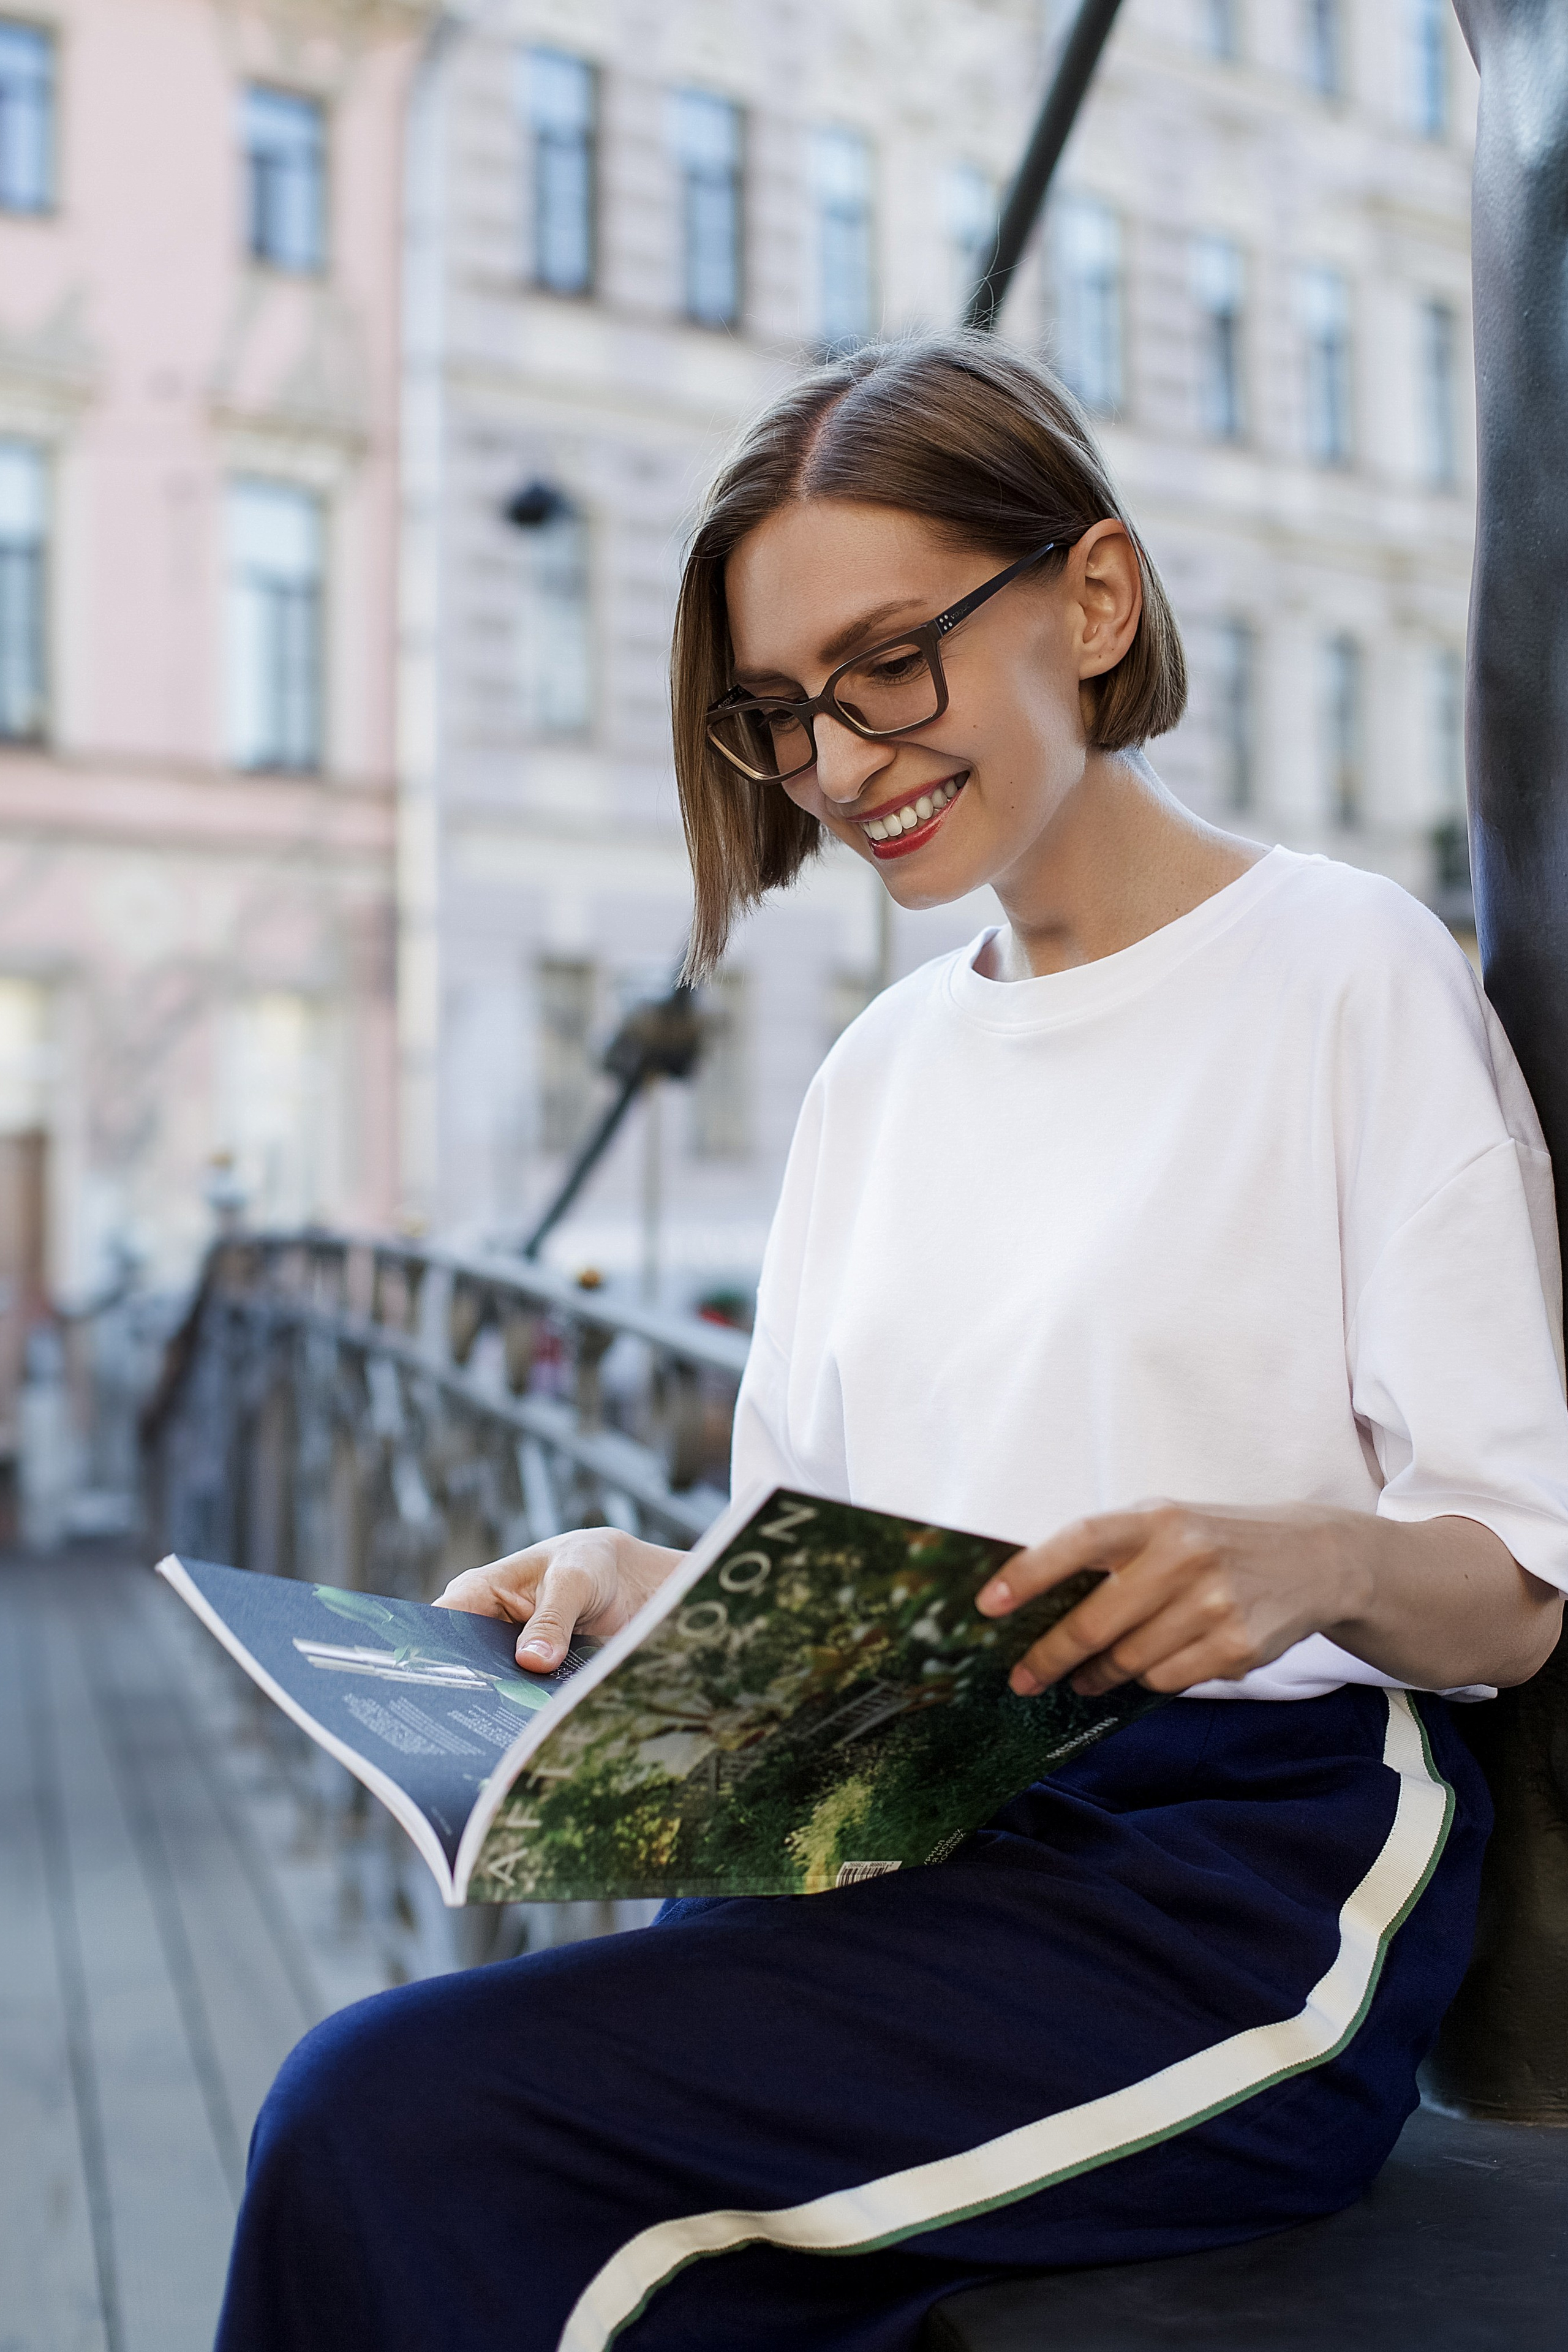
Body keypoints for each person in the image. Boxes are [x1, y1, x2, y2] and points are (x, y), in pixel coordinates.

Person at [215, 336, 1568, 2352]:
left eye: (888, 665)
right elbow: (830, 1566)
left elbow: (1525, 1582)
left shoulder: (1345, 968)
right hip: (896, 1822)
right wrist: (642, 1585)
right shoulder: (874, 1073)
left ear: (1092, 602)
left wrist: (1323, 1556)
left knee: (382, 2117)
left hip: (1241, 1867)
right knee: (544, 2236)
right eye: (779, 714)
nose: (841, 763)